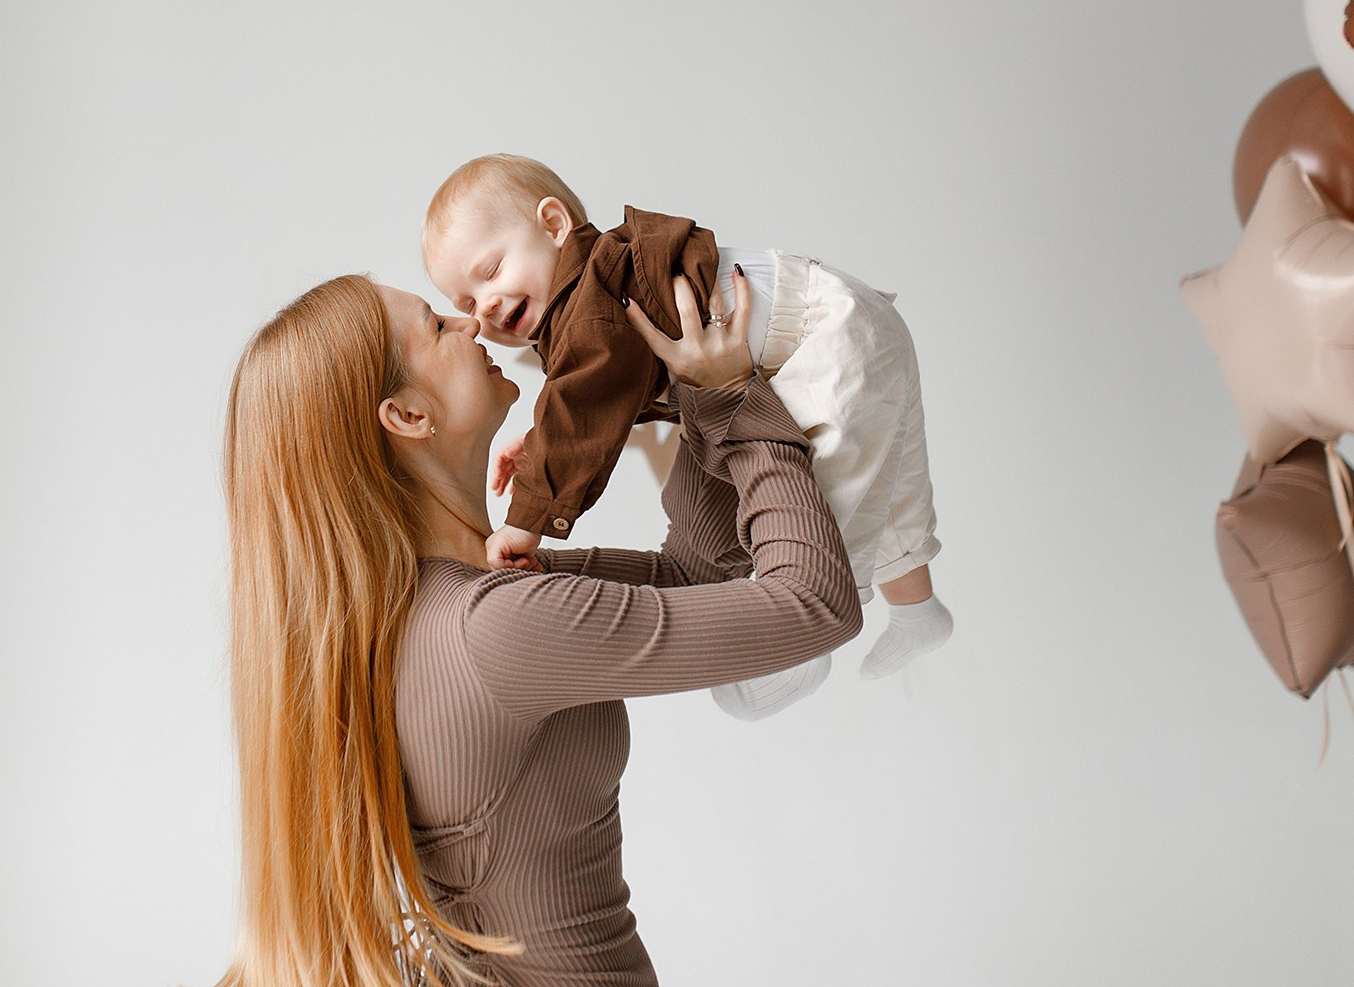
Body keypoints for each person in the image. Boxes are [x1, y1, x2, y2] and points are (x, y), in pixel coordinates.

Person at [216, 268, 860, 987]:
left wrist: (687, 389)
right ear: (406, 416)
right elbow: (814, 603)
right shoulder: (493, 630)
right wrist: (734, 394)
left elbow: (693, 577)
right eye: (436, 326)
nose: (470, 324)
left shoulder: (465, 602)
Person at [421, 154, 953, 717]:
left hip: (825, 337)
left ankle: (796, 650)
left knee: (836, 500)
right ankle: (919, 613)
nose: (486, 308)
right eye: (467, 304)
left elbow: (585, 406)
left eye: (491, 272)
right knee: (888, 487)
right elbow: (607, 397)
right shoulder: (591, 304)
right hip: (827, 331)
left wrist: (526, 522)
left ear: (553, 226)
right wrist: (537, 443)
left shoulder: (590, 307)